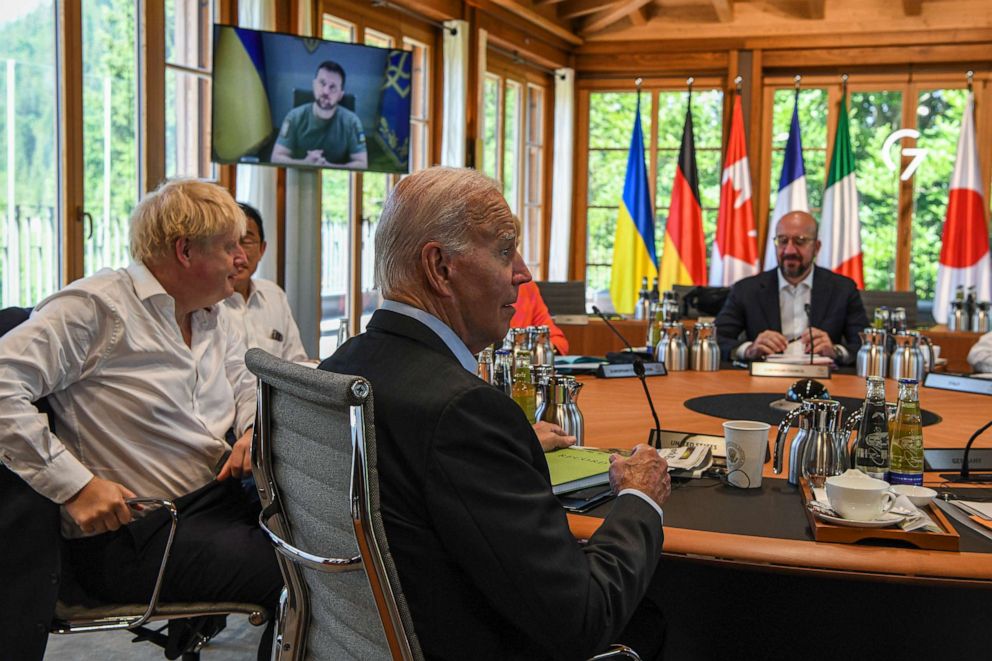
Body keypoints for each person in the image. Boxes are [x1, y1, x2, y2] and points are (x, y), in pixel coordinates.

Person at [320, 166, 671, 660]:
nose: (524, 273)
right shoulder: (464, 411)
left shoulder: (339, 367)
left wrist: (511, 443)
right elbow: (582, 619)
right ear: (440, 267)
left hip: (359, 641)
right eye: (505, 250)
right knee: (653, 617)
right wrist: (640, 498)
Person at [0, 179, 282, 660]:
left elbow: (245, 382)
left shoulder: (221, 310)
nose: (244, 259)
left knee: (338, 545)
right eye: (230, 247)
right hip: (137, 532)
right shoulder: (97, 309)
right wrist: (75, 485)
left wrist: (254, 427)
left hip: (212, 504)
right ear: (185, 251)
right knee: (303, 573)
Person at [715, 210, 868, 364]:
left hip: (822, 379)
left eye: (799, 241)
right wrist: (749, 350)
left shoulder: (842, 289)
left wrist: (835, 352)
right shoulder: (747, 289)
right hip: (763, 379)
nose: (789, 250)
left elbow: (865, 344)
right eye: (782, 241)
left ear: (816, 247)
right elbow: (715, 338)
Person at [222, 202, 308, 362]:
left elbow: (296, 361)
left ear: (262, 249)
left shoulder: (274, 296)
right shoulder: (208, 305)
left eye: (246, 242)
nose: (239, 255)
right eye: (230, 243)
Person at [271, 60, 368, 169]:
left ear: (341, 95)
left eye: (333, 87)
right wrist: (305, 163)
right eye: (322, 83)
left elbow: (362, 164)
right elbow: (275, 158)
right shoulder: (294, 117)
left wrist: (329, 167)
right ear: (314, 85)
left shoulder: (352, 122)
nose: (326, 91)